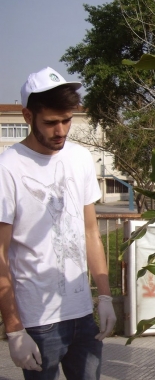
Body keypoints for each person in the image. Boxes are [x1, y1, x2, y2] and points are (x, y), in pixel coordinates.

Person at [0, 67, 116, 379]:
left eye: (66, 120)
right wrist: (14, 330)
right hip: (38, 321)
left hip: (82, 313)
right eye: (51, 122)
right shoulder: (7, 168)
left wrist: (104, 296)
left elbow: (91, 231)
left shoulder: (79, 158)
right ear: (27, 116)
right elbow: (0, 256)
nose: (61, 130)